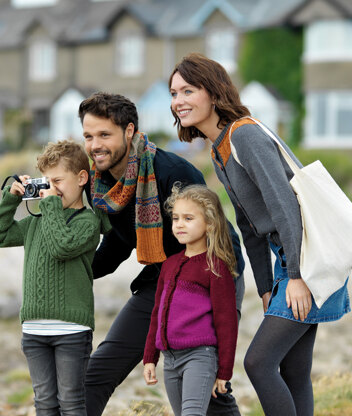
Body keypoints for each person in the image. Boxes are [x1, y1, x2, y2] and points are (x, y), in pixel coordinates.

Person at [168, 52, 350, 416]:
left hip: (308, 260)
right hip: (290, 263)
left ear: (213, 92)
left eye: (188, 91)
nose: (178, 102)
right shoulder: (220, 150)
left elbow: (284, 206)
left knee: (259, 363)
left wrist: (296, 276)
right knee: (294, 371)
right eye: (173, 94)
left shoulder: (244, 135)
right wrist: (267, 287)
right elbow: (249, 226)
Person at [78, 92, 245, 416]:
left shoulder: (172, 173)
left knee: (208, 391)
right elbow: (118, 243)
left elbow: (217, 236)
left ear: (129, 132)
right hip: (161, 278)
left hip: (212, 275)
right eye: (88, 136)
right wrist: (77, 269)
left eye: (104, 135)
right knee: (95, 375)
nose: (95, 145)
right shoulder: (99, 184)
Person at [0, 140, 102, 416]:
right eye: (46, 182)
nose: (51, 189)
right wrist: (10, 198)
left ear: (82, 178)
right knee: (45, 403)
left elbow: (61, 246)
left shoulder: (89, 222)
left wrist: (49, 205)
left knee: (72, 402)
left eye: (58, 181)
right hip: (34, 331)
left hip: (72, 331)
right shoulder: (36, 223)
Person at [143, 183, 238, 416]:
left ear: (210, 224)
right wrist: (149, 358)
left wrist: (224, 370)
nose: (179, 224)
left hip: (200, 356)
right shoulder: (169, 264)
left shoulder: (215, 268)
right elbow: (157, 313)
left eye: (188, 218)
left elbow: (227, 323)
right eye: (176, 218)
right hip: (170, 361)